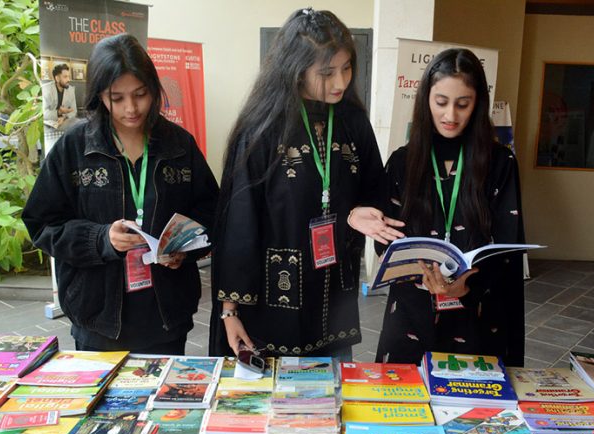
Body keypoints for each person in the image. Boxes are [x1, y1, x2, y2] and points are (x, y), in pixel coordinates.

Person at [209, 8, 404, 360]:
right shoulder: (262, 127)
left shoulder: (353, 121)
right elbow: (239, 226)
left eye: (347, 68)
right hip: (272, 300)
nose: (341, 82)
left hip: (333, 297)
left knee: (330, 396)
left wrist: (361, 213)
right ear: (295, 71)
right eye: (327, 73)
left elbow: (374, 187)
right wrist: (230, 310)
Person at [23, 34, 219, 354]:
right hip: (98, 316)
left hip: (166, 313)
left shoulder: (178, 145)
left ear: (154, 90)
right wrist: (101, 239)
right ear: (100, 95)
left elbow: (212, 210)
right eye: (117, 98)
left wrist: (184, 247)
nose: (131, 108)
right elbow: (42, 224)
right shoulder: (75, 147)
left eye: (141, 94)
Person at [375, 48, 526, 366]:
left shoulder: (499, 163)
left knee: (474, 411)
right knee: (403, 410)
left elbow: (507, 247)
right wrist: (420, 272)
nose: (451, 116)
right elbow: (384, 239)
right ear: (425, 99)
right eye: (441, 102)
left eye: (463, 104)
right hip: (411, 315)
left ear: (478, 103)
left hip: (477, 316)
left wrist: (467, 284)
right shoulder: (403, 162)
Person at [42, 63, 78, 130]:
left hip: (65, 122)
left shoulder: (71, 90)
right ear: (57, 78)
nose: (68, 80)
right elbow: (43, 113)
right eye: (65, 77)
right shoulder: (45, 89)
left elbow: (74, 111)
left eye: (68, 76)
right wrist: (58, 112)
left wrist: (64, 117)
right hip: (49, 124)